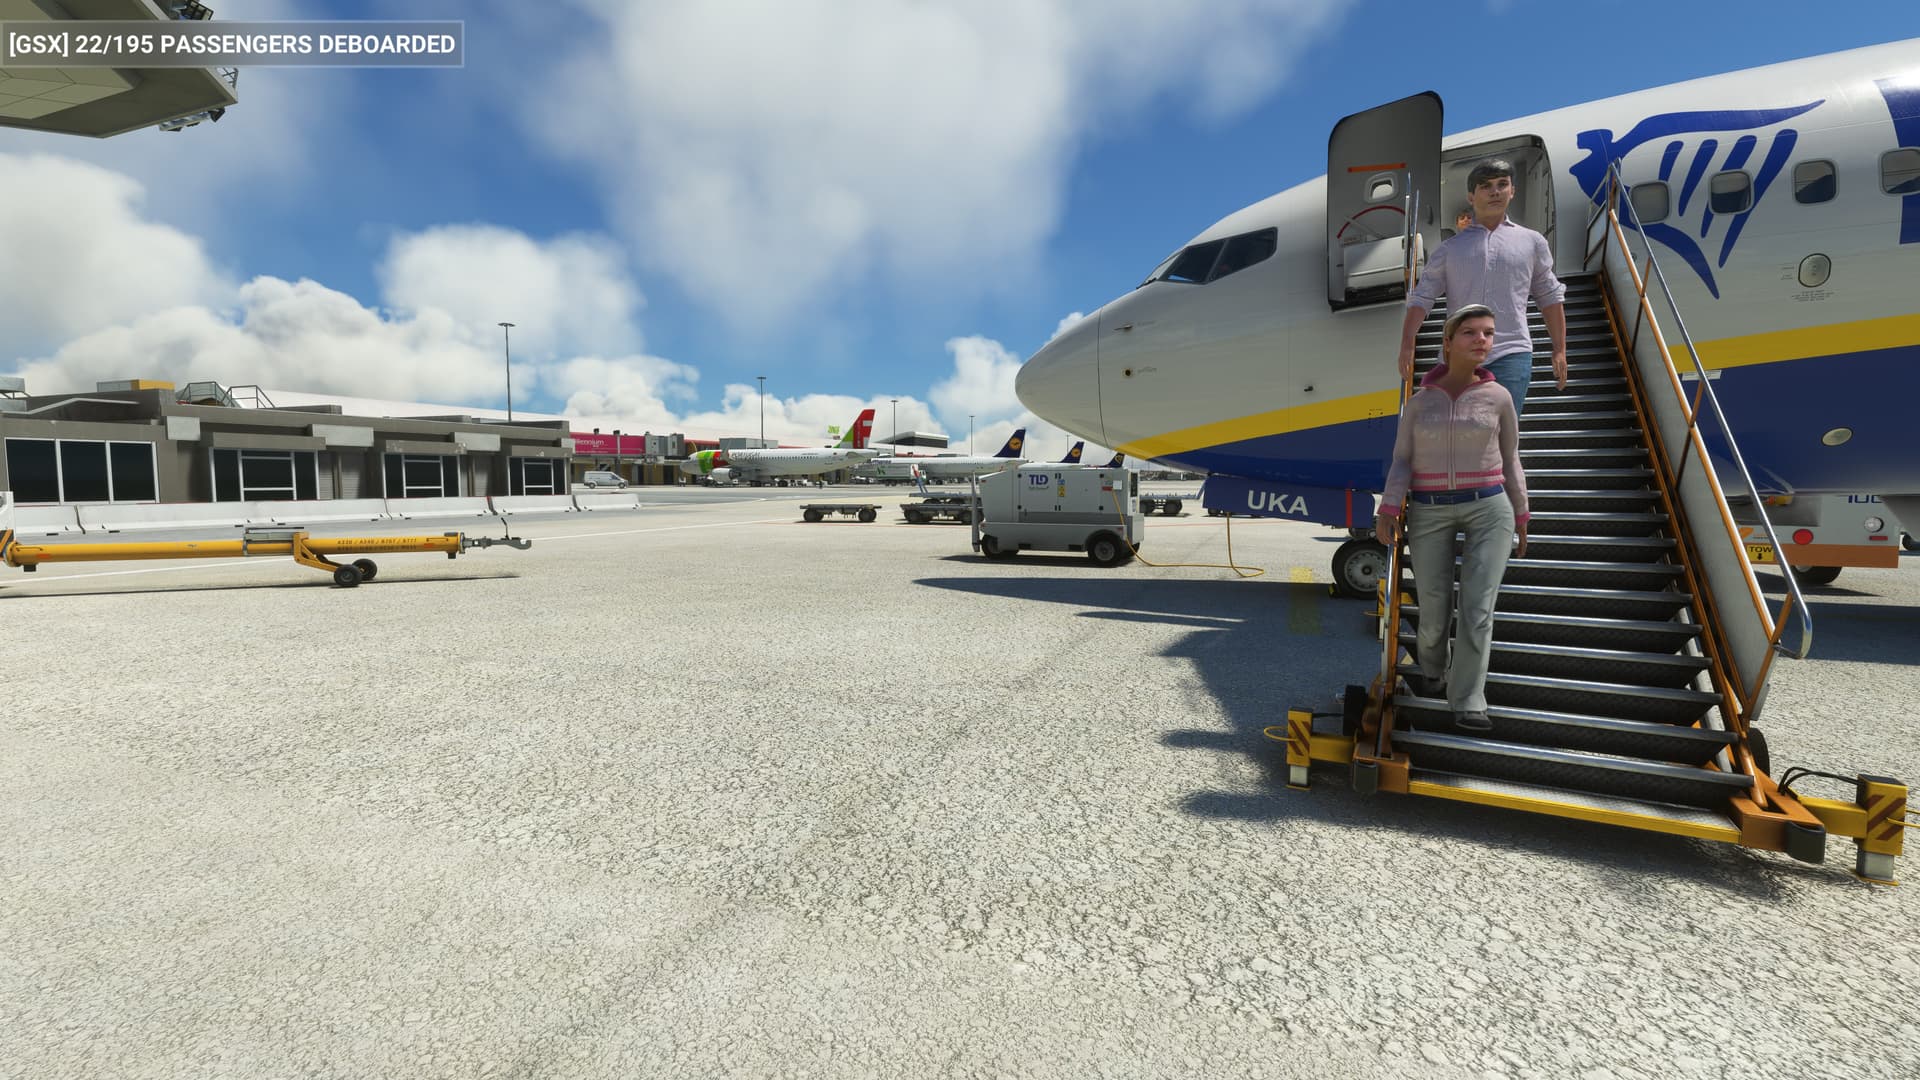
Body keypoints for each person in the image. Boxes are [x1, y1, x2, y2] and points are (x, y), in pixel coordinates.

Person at [1375, 304, 1529, 732]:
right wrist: (1389, 507)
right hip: (1430, 508)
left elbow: (1511, 458)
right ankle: (1432, 669)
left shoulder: (1499, 398)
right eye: (1470, 332)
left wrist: (1521, 511)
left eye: (1489, 333)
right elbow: (1402, 459)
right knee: (1433, 607)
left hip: (1489, 506)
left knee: (1478, 608)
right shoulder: (1419, 403)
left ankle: (1469, 699)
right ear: (1447, 342)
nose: (1482, 340)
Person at [1398, 160, 1568, 418]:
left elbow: (1549, 295)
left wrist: (1559, 348)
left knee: (1502, 431)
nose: (1495, 191)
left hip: (1511, 351)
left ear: (1513, 191)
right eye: (1486, 186)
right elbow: (1423, 297)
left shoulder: (1532, 242)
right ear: (1471, 196)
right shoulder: (1450, 249)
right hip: (1459, 356)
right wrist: (1408, 342)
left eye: (1502, 184)